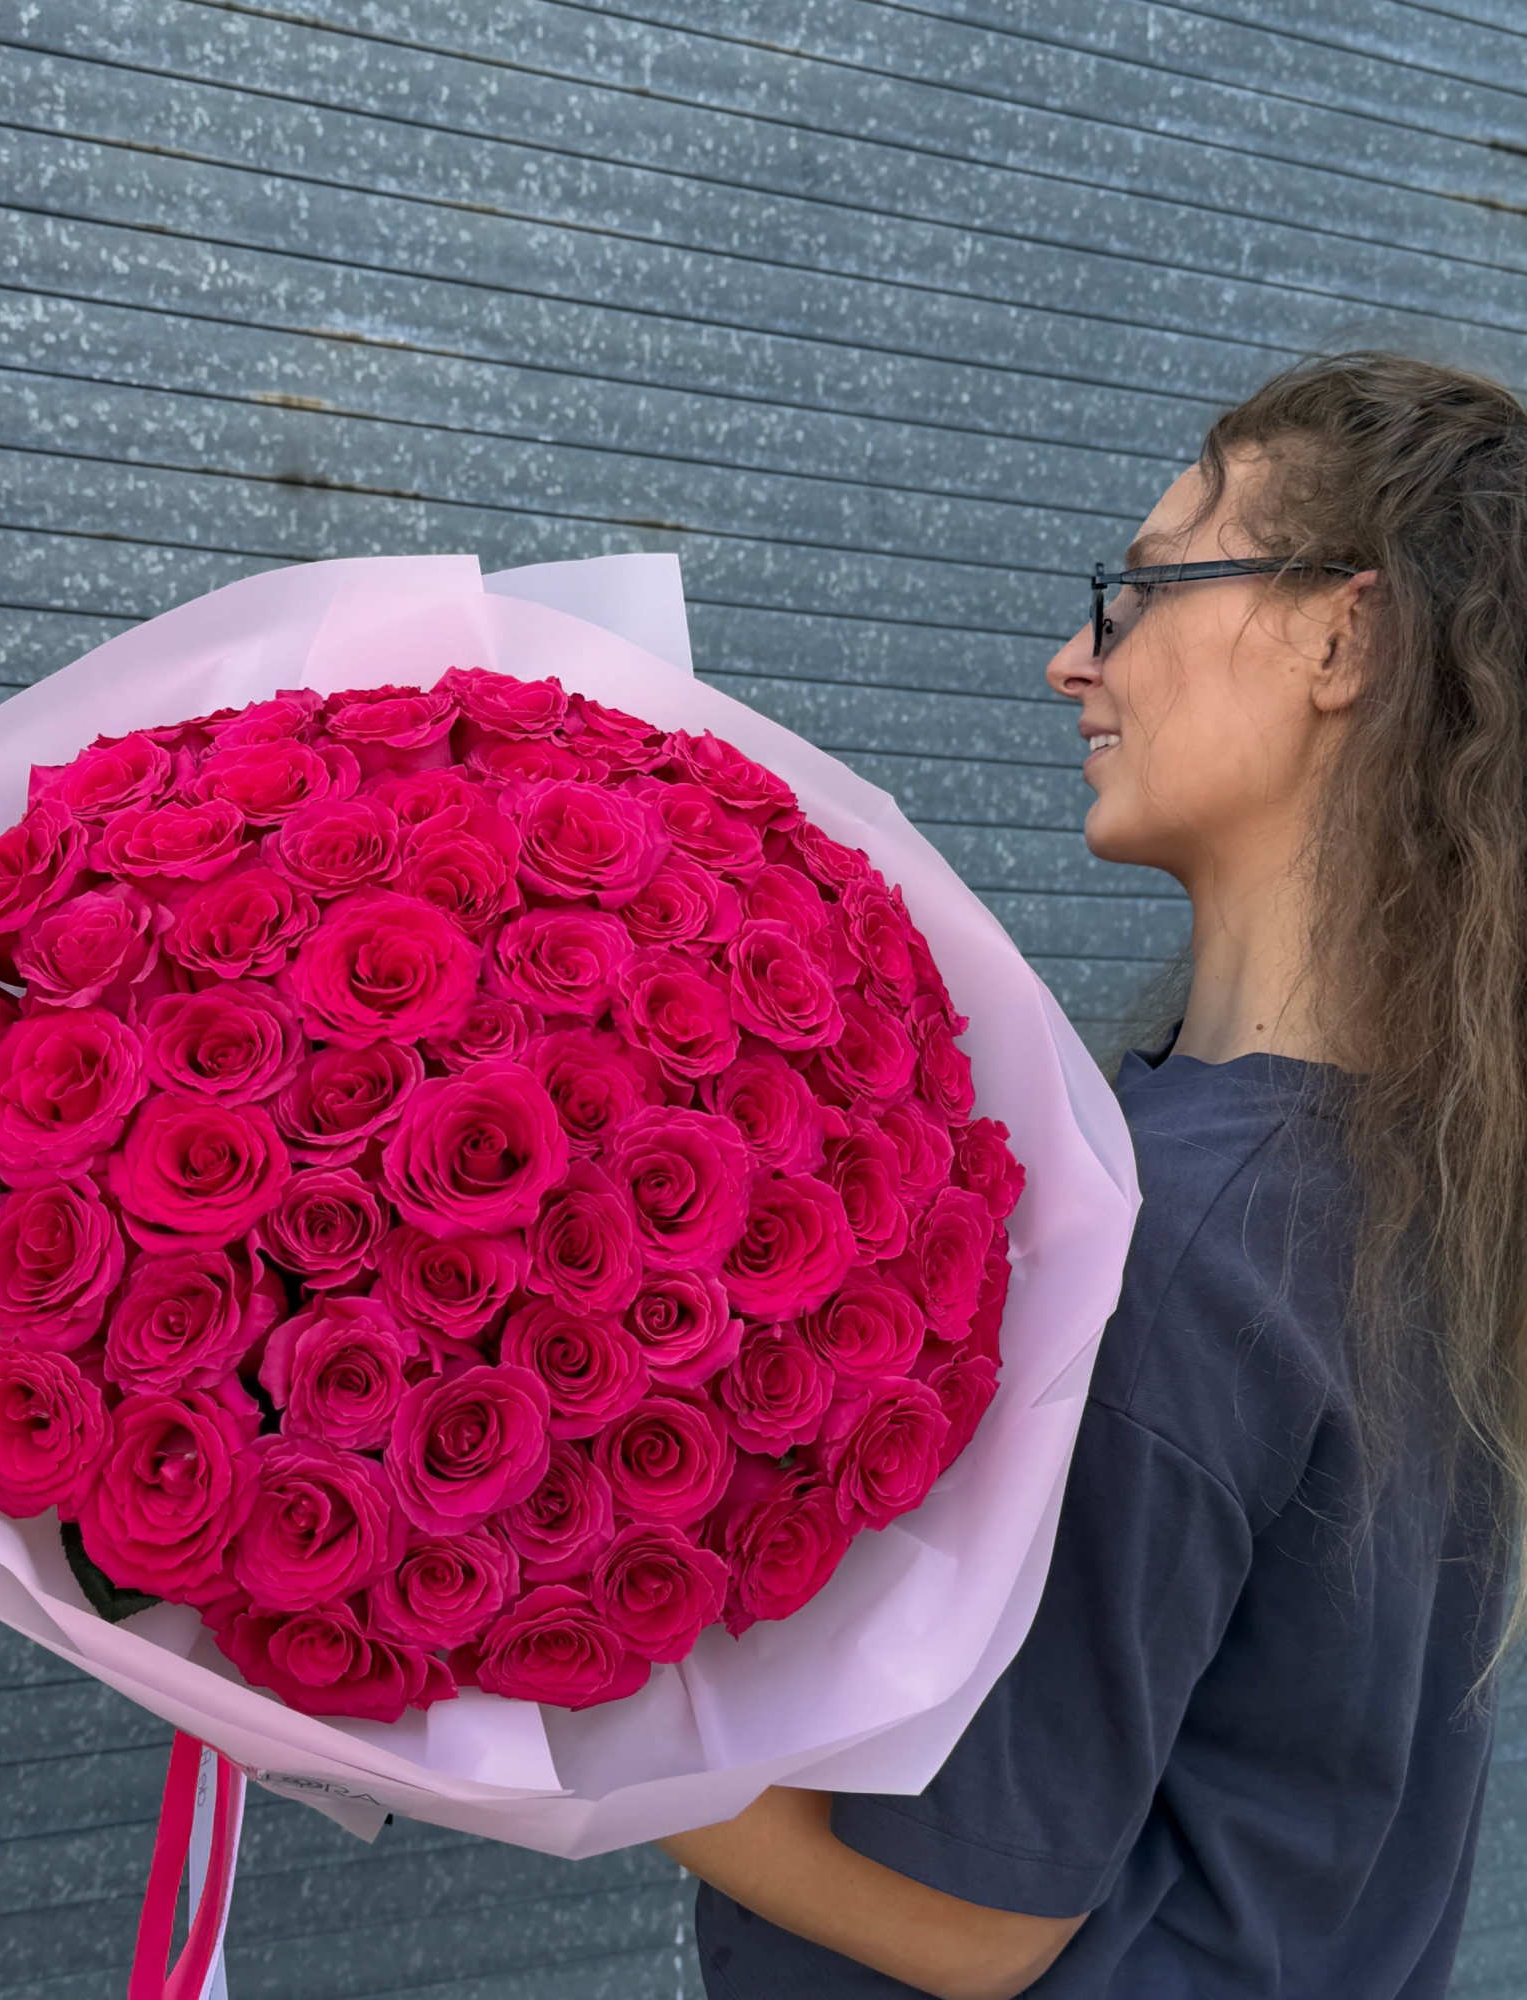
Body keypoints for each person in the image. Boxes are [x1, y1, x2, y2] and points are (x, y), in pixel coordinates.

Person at [661, 350, 1527, 1999]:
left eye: (1140, 590)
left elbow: (983, 1922)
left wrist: (533, 1705)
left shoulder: (1188, 1239)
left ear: (1344, 638)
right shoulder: (1408, 1179)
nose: (1075, 661)